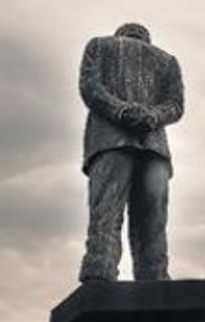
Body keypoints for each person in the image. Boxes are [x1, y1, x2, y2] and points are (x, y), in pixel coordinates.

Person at [77, 22, 184, 282]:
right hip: (153, 146)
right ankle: (155, 279)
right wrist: (151, 115)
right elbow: (175, 106)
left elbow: (91, 89)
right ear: (147, 38)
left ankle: (99, 274)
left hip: (110, 141)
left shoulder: (99, 46)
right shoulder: (167, 61)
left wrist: (121, 111)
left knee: (106, 212)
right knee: (153, 221)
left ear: (120, 34)